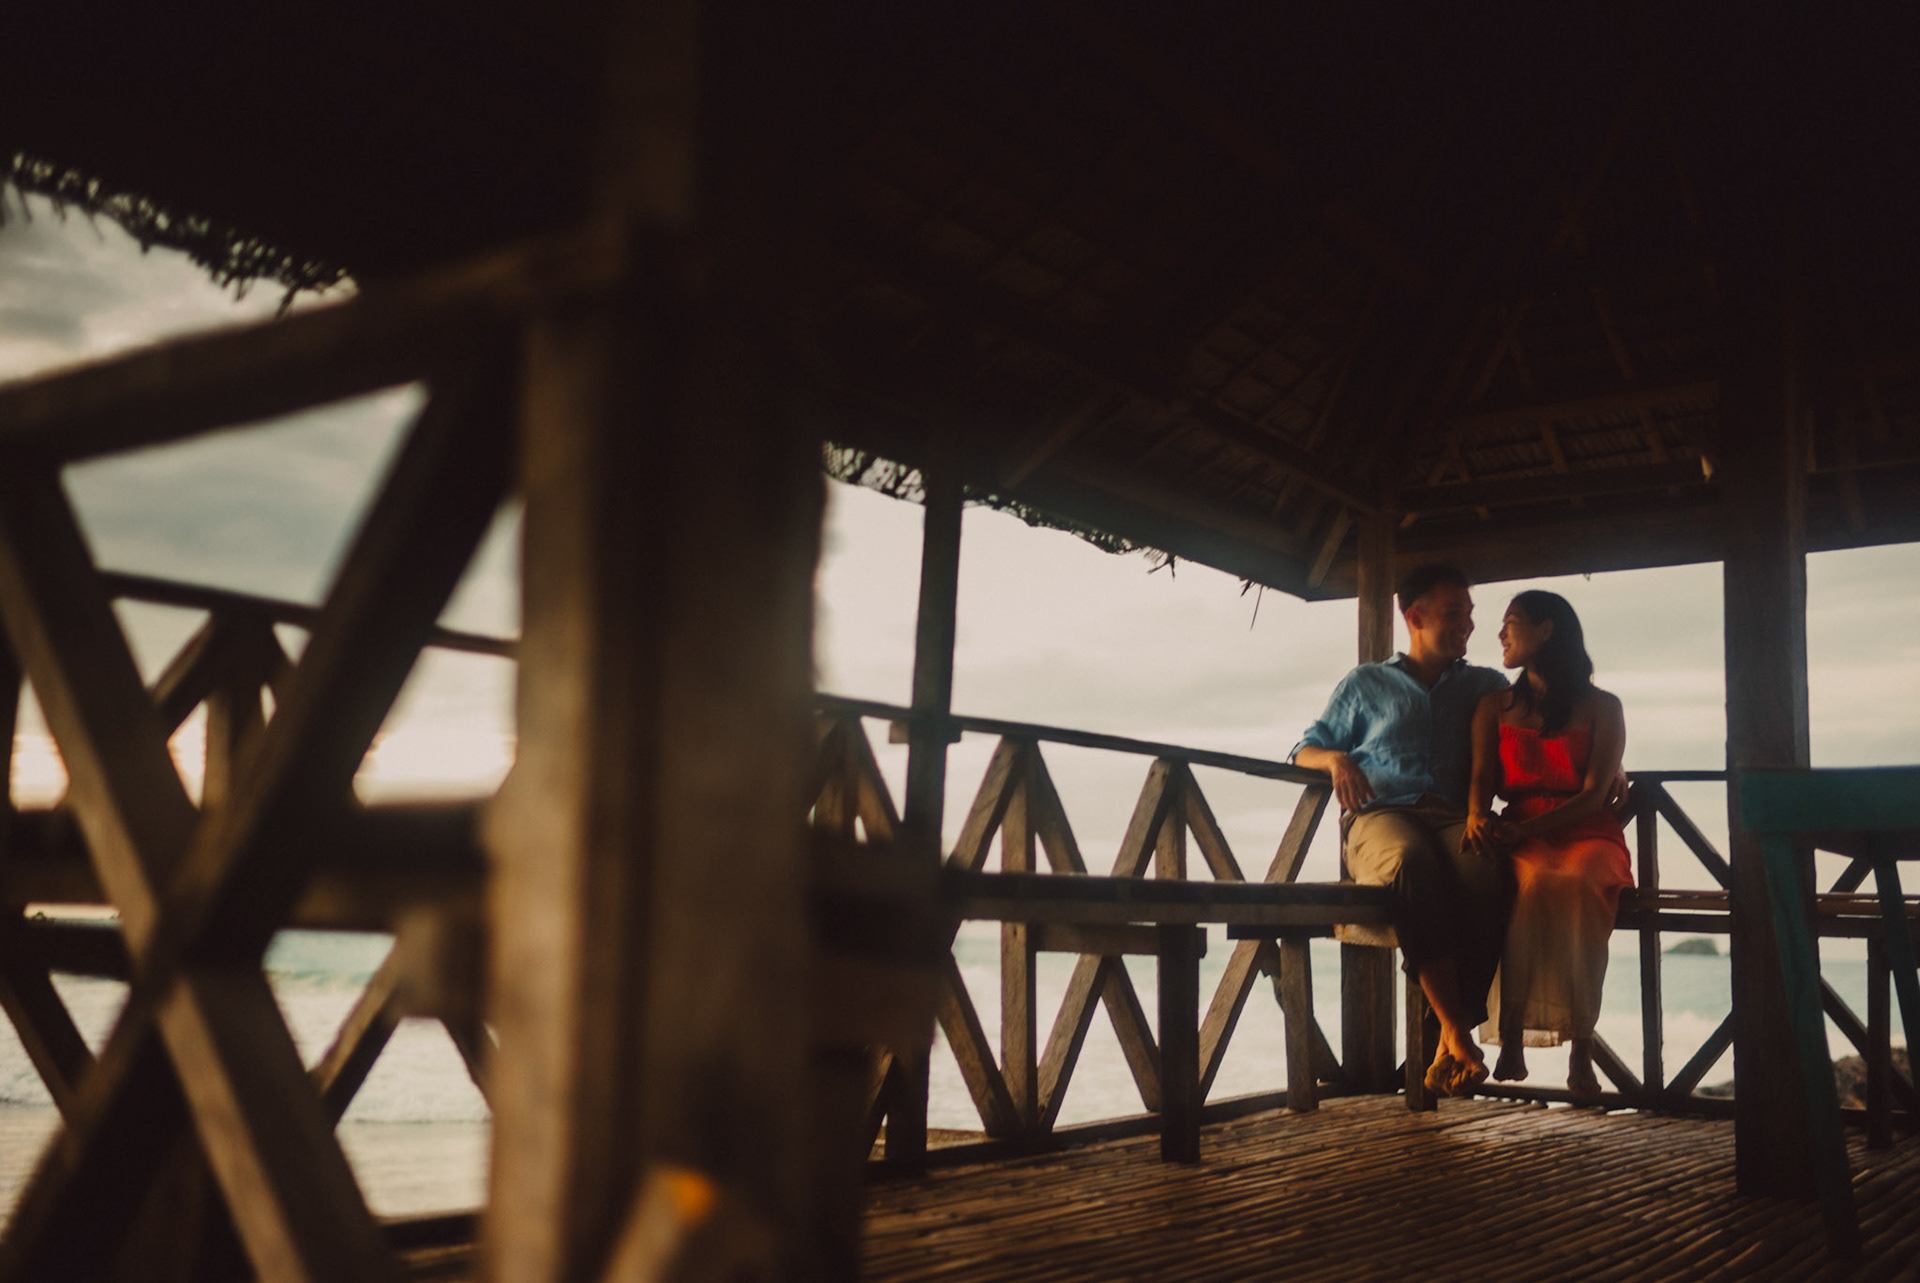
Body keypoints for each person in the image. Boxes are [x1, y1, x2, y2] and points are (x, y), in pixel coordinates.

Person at [1292, 564, 1511, 1097]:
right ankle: (1457, 1031)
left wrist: (1612, 768)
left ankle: (1445, 1042)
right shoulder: (1365, 682)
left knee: (1490, 871)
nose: (1469, 626)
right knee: (1412, 865)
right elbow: (1304, 748)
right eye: (1455, 613)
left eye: (1470, 614)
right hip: (1381, 816)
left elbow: (1540, 730)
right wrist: (1336, 759)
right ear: (1414, 617)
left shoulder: (1487, 684)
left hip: (1457, 816)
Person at [1464, 590, 1632, 1099]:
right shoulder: (1494, 706)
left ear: (1546, 631)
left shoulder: (1603, 707)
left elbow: (1592, 796)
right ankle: (1510, 1031)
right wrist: (1476, 815)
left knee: (1577, 884)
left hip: (1588, 831)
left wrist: (1524, 832)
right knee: (1531, 884)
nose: (1500, 634)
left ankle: (1581, 1046)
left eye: (1511, 622)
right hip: (1520, 830)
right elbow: (1480, 777)